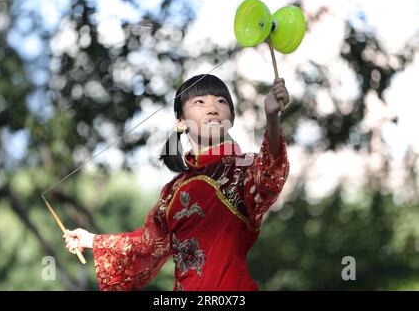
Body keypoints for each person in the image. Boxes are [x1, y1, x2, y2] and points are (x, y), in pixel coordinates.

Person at [64, 74, 290, 291]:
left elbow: (270, 171)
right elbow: (146, 245)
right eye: (200, 102)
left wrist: (271, 118)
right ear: (181, 122)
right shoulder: (172, 191)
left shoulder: (243, 169)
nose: (213, 108)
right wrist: (90, 240)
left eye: (221, 101)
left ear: (230, 118)